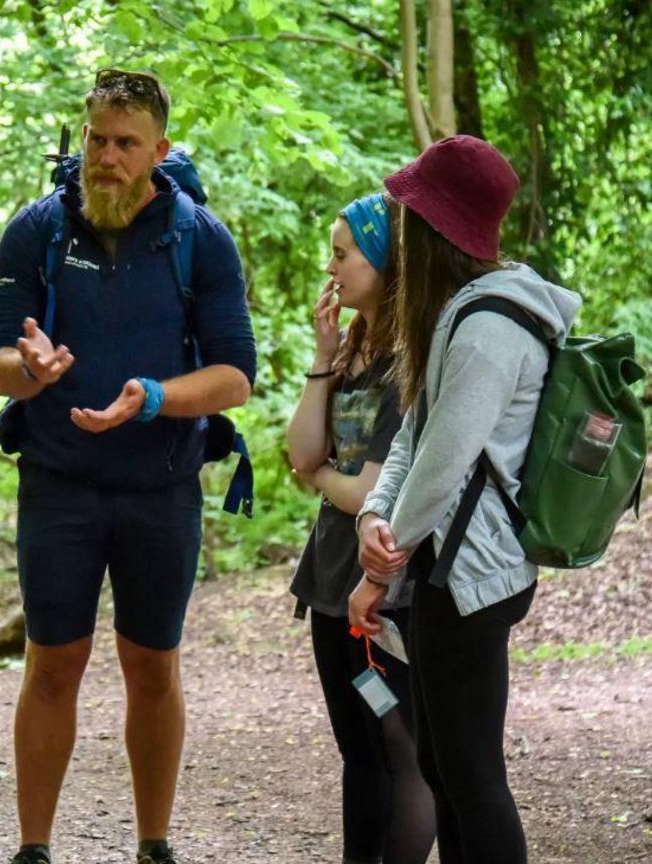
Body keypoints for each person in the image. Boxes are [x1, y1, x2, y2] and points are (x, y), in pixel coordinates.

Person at [0, 69, 256, 864]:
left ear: (158, 150)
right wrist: (27, 369)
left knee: (152, 664)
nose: (106, 157)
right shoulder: (37, 230)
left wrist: (152, 397)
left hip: (160, 484)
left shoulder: (199, 236)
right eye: (98, 139)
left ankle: (154, 843)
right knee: (53, 661)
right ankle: (33, 848)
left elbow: (235, 377)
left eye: (126, 144)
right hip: (58, 482)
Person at [348, 136, 582, 864]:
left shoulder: (488, 327)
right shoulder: (464, 311)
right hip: (446, 569)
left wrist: (380, 570)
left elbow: (445, 461)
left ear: (436, 226)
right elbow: (417, 434)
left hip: (473, 577)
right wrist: (372, 515)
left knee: (472, 775)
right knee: (444, 769)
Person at [286, 193, 435, 864]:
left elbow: (367, 490)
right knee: (356, 748)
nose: (332, 267)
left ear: (381, 260)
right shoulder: (353, 349)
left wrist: (318, 480)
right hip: (328, 577)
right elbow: (300, 448)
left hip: (384, 584)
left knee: (397, 744)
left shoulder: (410, 361)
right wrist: (322, 355)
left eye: (343, 254)